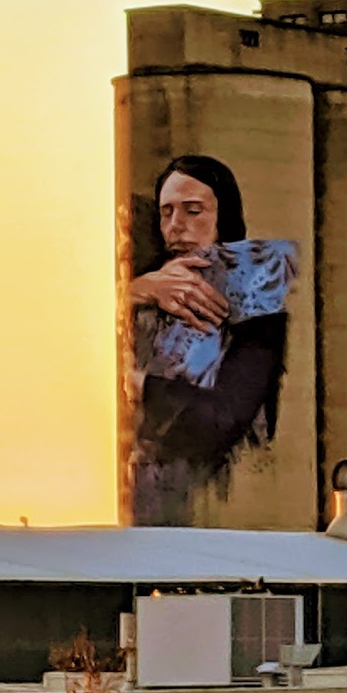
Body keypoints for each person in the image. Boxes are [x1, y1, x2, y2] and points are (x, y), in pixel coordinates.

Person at [126, 155, 292, 526]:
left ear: (224, 218)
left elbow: (220, 419)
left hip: (221, 506)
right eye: (166, 212)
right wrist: (137, 290)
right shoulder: (142, 290)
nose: (176, 226)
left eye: (193, 211)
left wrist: (136, 384)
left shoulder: (257, 307)